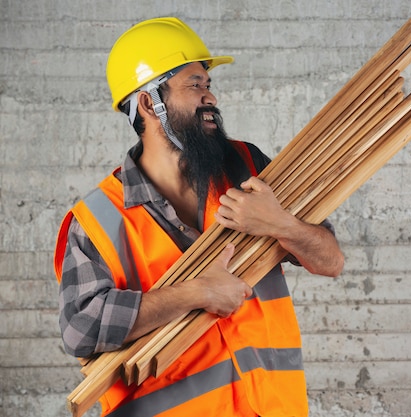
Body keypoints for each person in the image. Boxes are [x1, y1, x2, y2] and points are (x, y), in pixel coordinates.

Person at [53, 17, 344, 417]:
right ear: (148, 102)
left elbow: (331, 261)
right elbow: (80, 328)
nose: (211, 98)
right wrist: (196, 292)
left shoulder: (247, 167)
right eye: (195, 85)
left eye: (208, 85)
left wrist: (281, 225)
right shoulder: (100, 218)